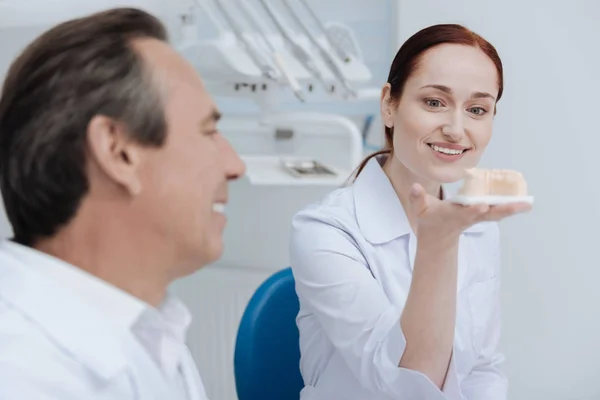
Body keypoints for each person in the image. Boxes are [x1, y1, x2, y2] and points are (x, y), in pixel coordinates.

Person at [0, 7, 245, 400]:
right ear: (118, 151)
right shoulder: (21, 372)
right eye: (208, 131)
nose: (235, 165)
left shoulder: (155, 332)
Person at [290, 24, 532, 400]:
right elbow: (406, 385)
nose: (455, 129)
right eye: (434, 102)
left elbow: (484, 367)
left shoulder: (479, 226)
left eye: (477, 109)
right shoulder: (325, 231)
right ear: (390, 104)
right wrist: (438, 242)